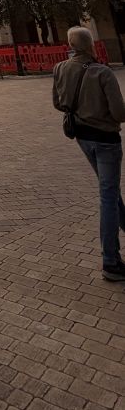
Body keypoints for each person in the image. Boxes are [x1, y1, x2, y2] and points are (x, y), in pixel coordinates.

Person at [53, 26, 125, 281]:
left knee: (109, 189)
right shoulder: (102, 72)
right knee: (108, 194)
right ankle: (111, 262)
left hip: (82, 137)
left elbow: (58, 103)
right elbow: (119, 113)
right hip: (106, 139)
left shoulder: (60, 68)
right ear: (90, 44)